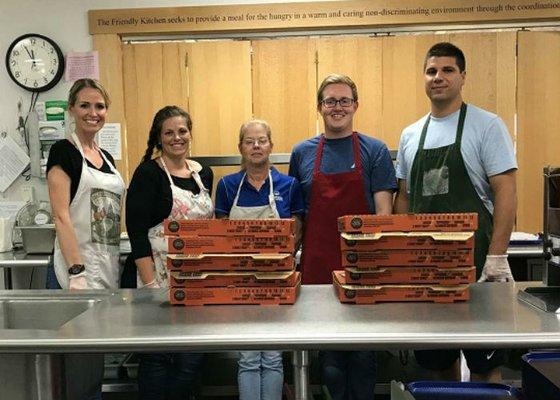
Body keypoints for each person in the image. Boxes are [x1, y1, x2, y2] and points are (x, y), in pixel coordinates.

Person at [393, 42, 518, 382]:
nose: (439, 77)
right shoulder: (410, 135)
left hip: (476, 266)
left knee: (484, 364)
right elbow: (403, 197)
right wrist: (401, 256)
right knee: (436, 364)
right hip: (426, 269)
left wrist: (497, 257)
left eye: (448, 70)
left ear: (463, 77)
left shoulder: (487, 125)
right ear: (424, 77)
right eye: (432, 71)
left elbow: (505, 191)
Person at [289, 74, 396, 400]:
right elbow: (298, 216)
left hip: (363, 268)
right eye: (330, 101)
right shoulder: (302, 152)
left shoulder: (374, 150)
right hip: (318, 268)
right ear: (320, 107)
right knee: (331, 358)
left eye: (344, 100)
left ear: (355, 105)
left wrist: (378, 265)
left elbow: (384, 215)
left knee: (363, 356)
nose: (338, 107)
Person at [126, 105, 214, 399]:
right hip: (158, 276)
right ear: (159, 137)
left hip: (196, 278)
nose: (177, 137)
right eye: (169, 133)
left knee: (192, 357)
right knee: (157, 356)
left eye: (182, 131)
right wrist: (150, 286)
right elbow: (137, 233)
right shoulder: (148, 173)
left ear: (190, 133)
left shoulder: (204, 174)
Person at [46, 78, 125, 400]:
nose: (93, 113)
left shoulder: (106, 157)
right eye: (85, 105)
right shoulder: (63, 151)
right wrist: (77, 271)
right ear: (72, 110)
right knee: (75, 367)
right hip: (74, 273)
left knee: (95, 362)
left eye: (100, 106)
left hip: (105, 267)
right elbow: (61, 215)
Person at [215, 119, 304, 400]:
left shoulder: (288, 184)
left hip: (277, 279)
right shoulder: (228, 186)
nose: (256, 146)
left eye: (262, 140)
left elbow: (297, 230)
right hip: (240, 281)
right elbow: (220, 232)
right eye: (249, 141)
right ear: (240, 147)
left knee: (274, 356)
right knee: (250, 357)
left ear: (271, 145)